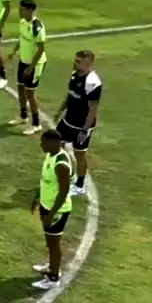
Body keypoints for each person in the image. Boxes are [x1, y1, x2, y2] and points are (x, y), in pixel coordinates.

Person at [30, 131, 74, 291]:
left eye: (44, 143)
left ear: (54, 142)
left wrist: (52, 213)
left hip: (57, 211)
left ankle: (53, 277)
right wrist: (37, 198)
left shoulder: (61, 164)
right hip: (46, 206)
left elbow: (63, 192)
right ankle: (51, 266)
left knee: (54, 244)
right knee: (50, 241)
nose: (41, 145)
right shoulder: (50, 155)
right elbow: (44, 180)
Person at [54, 49, 102, 195]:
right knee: (57, 145)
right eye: (75, 60)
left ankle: (80, 185)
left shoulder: (92, 83)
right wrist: (60, 111)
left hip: (81, 124)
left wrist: (85, 130)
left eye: (79, 62)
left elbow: (93, 109)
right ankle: (66, 173)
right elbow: (70, 96)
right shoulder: (75, 74)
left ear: (88, 64)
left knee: (79, 154)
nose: (75, 63)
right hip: (68, 120)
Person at [13, 0, 47, 133]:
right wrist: (14, 51)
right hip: (23, 61)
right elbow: (22, 38)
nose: (19, 12)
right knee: (20, 88)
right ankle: (23, 116)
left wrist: (31, 67)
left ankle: (36, 124)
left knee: (30, 93)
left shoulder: (37, 27)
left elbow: (41, 49)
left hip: (35, 64)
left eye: (22, 10)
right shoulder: (22, 22)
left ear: (31, 10)